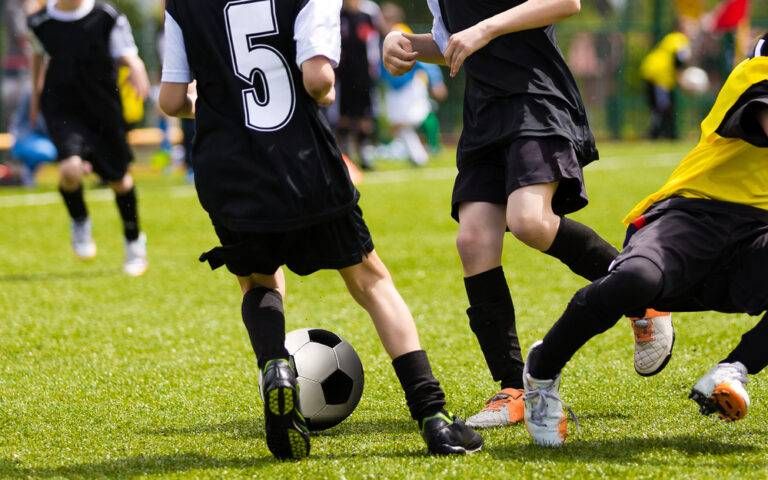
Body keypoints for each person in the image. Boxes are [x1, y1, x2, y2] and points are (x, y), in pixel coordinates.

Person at [159, 0, 482, 460]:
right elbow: (318, 80)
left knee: (259, 281)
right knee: (371, 281)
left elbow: (171, 100)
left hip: (227, 170)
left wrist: (224, 103)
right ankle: (434, 418)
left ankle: (275, 364)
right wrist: (323, 96)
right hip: (303, 164)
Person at [382, 0, 672, 429]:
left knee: (529, 221)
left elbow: (566, 2)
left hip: (535, 97)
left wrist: (485, 28)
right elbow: (451, 45)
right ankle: (512, 388)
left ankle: (643, 298)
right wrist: (402, 42)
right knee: (473, 241)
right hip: (484, 113)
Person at [522, 34, 768, 447]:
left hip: (756, 236)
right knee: (636, 279)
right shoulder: (757, 70)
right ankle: (542, 370)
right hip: (692, 215)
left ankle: (734, 369)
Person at [27, 0, 150, 276]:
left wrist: (136, 67)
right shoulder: (39, 22)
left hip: (102, 109)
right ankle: (79, 219)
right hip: (62, 109)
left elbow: (127, 53)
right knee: (69, 169)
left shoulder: (106, 16)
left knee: (120, 181)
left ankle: (134, 241)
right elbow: (37, 59)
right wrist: (35, 98)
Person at [336, 0, 380, 170]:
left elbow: (373, 43)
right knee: (344, 117)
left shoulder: (366, 17)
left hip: (363, 74)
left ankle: (364, 154)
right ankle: (345, 155)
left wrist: (374, 67)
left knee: (365, 116)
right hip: (343, 75)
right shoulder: (338, 15)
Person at [640, 28, 692, 140]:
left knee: (658, 107)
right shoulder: (681, 39)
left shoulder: (670, 37)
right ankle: (659, 133)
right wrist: (681, 79)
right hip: (660, 75)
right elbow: (678, 59)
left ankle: (660, 133)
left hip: (650, 68)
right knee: (663, 106)